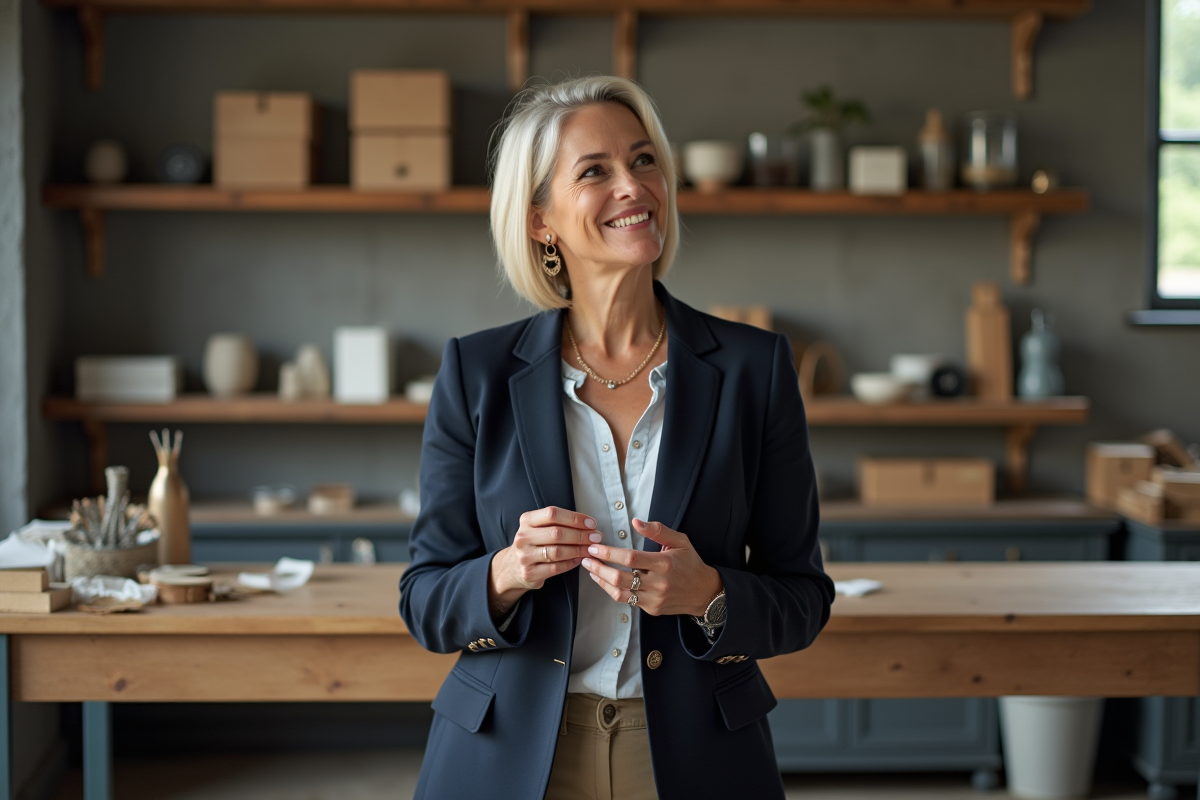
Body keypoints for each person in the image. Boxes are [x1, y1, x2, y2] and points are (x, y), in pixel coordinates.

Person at [399, 75, 833, 800]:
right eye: (595, 171)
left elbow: (804, 596)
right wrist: (506, 572)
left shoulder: (755, 369)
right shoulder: (475, 373)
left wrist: (710, 595)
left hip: (692, 756)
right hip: (510, 754)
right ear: (542, 220)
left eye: (644, 161)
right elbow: (425, 600)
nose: (633, 186)